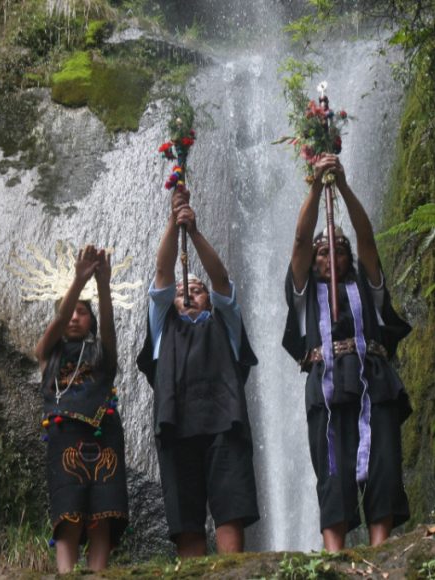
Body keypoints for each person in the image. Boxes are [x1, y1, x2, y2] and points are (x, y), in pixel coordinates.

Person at [283, 154, 412, 551]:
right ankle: (334, 556)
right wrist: (315, 187)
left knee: (383, 466)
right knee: (332, 472)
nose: (331, 257)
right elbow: (302, 241)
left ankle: (380, 552)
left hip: (374, 382)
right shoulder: (306, 296)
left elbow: (367, 238)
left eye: (339, 251)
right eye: (324, 254)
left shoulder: (367, 289)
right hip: (327, 386)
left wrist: (343, 187)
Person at [136, 188, 260, 557]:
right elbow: (162, 273)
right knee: (186, 519)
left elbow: (221, 281)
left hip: (226, 424)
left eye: (198, 290)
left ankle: (232, 572)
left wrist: (195, 232)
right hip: (176, 425)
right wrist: (175, 226)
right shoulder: (162, 326)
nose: (190, 293)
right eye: (181, 292)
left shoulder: (225, 322)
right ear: (170, 303)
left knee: (230, 510)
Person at [35, 245, 128, 573]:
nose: (74, 316)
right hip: (64, 438)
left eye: (82, 312)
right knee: (68, 512)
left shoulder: (103, 353)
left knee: (102, 514)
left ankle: (98, 574)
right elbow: (59, 320)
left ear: (91, 320)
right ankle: (66, 573)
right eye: (70, 310)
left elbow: (107, 323)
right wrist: (79, 280)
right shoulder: (49, 353)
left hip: (104, 435)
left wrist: (103, 284)